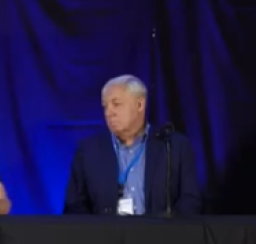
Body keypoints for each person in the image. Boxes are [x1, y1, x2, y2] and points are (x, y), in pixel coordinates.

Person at [64, 75, 202, 215]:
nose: (109, 113)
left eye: (116, 104)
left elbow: (190, 199)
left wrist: (165, 231)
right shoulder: (88, 151)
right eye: (105, 106)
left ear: (139, 105)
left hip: (161, 235)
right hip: (106, 235)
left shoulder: (173, 146)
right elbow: (74, 206)